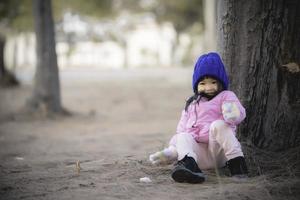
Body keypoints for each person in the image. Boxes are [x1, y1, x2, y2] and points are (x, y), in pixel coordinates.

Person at [149, 52, 248, 184]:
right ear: (196, 85)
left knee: (218, 125)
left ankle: (238, 167)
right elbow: (180, 132)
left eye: (213, 82)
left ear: (221, 82)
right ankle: (190, 167)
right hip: (199, 157)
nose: (208, 87)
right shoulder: (192, 104)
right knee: (183, 136)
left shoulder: (226, 96)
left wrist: (232, 114)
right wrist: (172, 151)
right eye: (202, 83)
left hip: (219, 152)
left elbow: (238, 115)